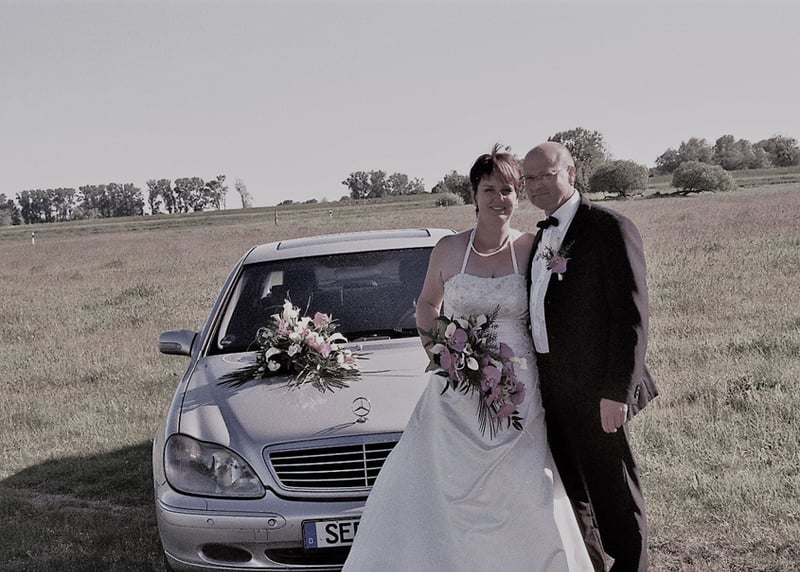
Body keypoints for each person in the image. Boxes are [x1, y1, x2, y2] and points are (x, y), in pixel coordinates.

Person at [342, 145, 593, 571]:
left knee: (525, 488)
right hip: (455, 393)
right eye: (489, 189)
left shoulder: (533, 248)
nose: (499, 199)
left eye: (508, 190)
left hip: (520, 392)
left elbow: (563, 305)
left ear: (518, 196)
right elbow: (427, 305)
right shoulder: (448, 249)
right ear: (473, 194)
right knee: (447, 491)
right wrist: (441, 354)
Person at [523, 141, 659, 571]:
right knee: (573, 496)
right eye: (529, 178)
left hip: (599, 390)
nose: (537, 185)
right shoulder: (541, 236)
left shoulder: (608, 227)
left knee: (615, 493)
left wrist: (617, 391)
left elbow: (631, 317)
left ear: (571, 172)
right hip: (551, 390)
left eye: (547, 175)